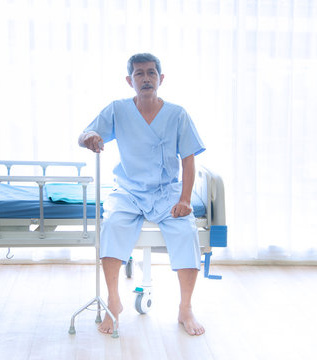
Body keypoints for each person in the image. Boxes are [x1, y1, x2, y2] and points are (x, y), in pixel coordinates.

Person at [78, 53, 206, 336]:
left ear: (161, 78)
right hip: (128, 191)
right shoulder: (118, 110)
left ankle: (185, 308)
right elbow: (84, 134)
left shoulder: (177, 114)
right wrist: (89, 137)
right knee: (111, 227)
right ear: (129, 80)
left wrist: (185, 199)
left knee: (186, 232)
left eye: (151, 72)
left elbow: (188, 159)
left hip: (166, 191)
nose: (146, 78)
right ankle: (114, 302)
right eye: (139, 74)